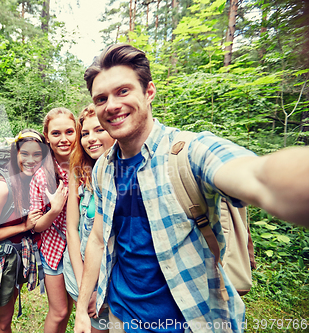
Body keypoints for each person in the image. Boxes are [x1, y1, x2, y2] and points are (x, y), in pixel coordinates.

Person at [74, 43, 309, 333]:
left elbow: (256, 174)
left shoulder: (188, 152)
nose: (111, 105)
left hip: (191, 321)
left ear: (149, 92)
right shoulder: (104, 168)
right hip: (122, 319)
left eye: (123, 91)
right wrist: (82, 309)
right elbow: (98, 238)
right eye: (101, 98)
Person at [0, 129, 50, 333]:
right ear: (15, 154)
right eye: (25, 154)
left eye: (37, 154)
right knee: (5, 320)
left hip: (14, 257)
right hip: (1, 259)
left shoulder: (29, 180)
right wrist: (24, 226)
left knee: (1, 314)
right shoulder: (3, 187)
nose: (30, 160)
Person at [63, 104, 115, 333]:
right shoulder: (78, 172)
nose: (91, 139)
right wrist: (87, 287)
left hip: (114, 279)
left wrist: (102, 288)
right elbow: (72, 229)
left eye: (99, 130)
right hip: (81, 268)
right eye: (85, 133)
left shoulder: (127, 175)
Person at [29, 107, 76, 333]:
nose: (64, 139)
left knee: (71, 308)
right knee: (58, 311)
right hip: (55, 250)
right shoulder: (41, 174)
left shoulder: (89, 166)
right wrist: (54, 211)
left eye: (69, 132)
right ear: (47, 137)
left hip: (81, 248)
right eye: (56, 134)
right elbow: (35, 225)